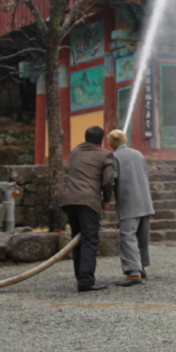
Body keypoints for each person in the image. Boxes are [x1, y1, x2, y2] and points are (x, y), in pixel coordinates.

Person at [62, 125, 114, 292]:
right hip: (88, 201)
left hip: (69, 200)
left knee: (76, 240)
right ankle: (86, 280)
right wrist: (106, 200)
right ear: (102, 140)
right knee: (90, 239)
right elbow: (108, 181)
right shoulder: (105, 155)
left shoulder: (75, 151)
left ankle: (80, 276)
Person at [107, 129, 154, 287]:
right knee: (142, 237)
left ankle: (133, 272)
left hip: (129, 202)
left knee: (128, 237)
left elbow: (112, 179)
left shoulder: (114, 158)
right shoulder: (138, 154)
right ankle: (142, 267)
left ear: (111, 143)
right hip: (145, 201)